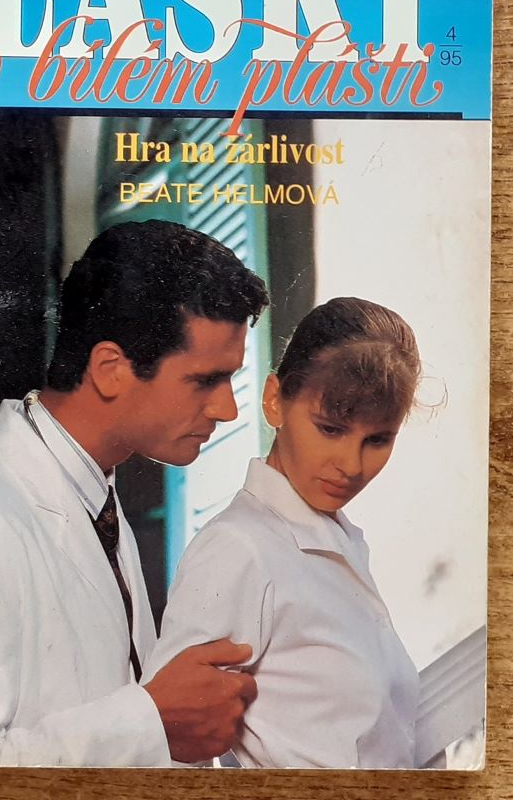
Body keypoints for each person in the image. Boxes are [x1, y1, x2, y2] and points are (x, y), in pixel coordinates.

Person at [0, 220, 269, 767]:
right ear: (110, 369)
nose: (228, 409)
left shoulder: (96, 498)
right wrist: (154, 722)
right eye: (204, 380)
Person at [144, 297, 422, 769]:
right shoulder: (239, 549)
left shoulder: (340, 542)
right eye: (330, 428)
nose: (350, 465)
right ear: (274, 400)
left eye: (377, 439)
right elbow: (170, 746)